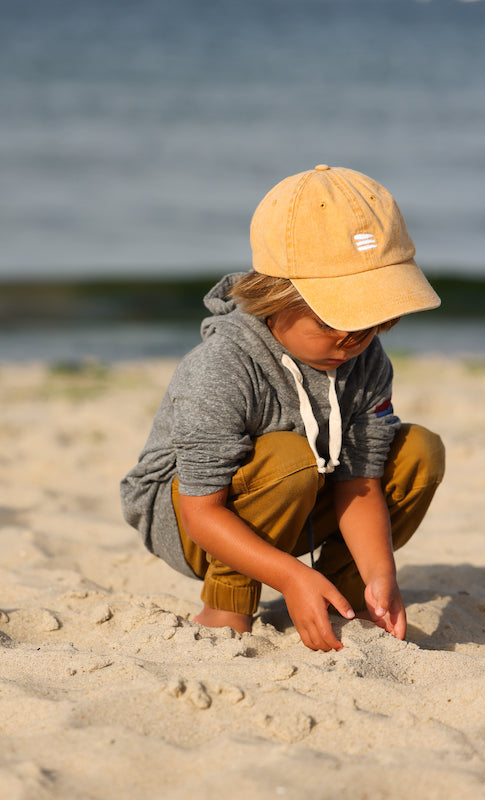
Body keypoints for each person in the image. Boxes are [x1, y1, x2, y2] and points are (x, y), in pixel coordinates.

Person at [120, 165, 445, 652]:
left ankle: (348, 589)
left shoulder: (367, 360)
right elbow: (201, 511)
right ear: (277, 294)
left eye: (372, 318)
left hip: (302, 501)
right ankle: (226, 603)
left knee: (418, 449)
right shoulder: (222, 367)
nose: (353, 338)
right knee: (287, 457)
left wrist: (382, 573)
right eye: (337, 317)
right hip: (190, 518)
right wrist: (291, 576)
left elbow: (360, 482)